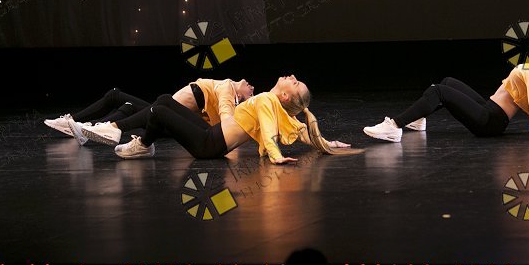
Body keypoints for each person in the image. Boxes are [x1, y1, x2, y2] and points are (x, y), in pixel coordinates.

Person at [114, 75, 361, 161]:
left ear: (286, 95)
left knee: (159, 111)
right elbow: (303, 130)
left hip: (209, 145)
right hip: (211, 135)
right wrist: (327, 143)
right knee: (165, 100)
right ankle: (142, 142)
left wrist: (276, 156)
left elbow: (269, 131)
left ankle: (143, 145)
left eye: (295, 83)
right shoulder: (272, 102)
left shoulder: (267, 101)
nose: (292, 76)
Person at [363, 60, 529, 143]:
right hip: (489, 108)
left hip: (490, 121)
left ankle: (394, 127)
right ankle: (418, 119)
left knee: (439, 91)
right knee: (448, 81)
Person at [43, 78, 254, 146]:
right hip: (164, 111)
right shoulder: (225, 86)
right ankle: (82, 125)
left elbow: (226, 117)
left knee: (118, 96)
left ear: (243, 98)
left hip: (164, 114)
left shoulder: (227, 89)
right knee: (124, 103)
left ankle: (83, 126)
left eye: (252, 92)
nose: (251, 86)